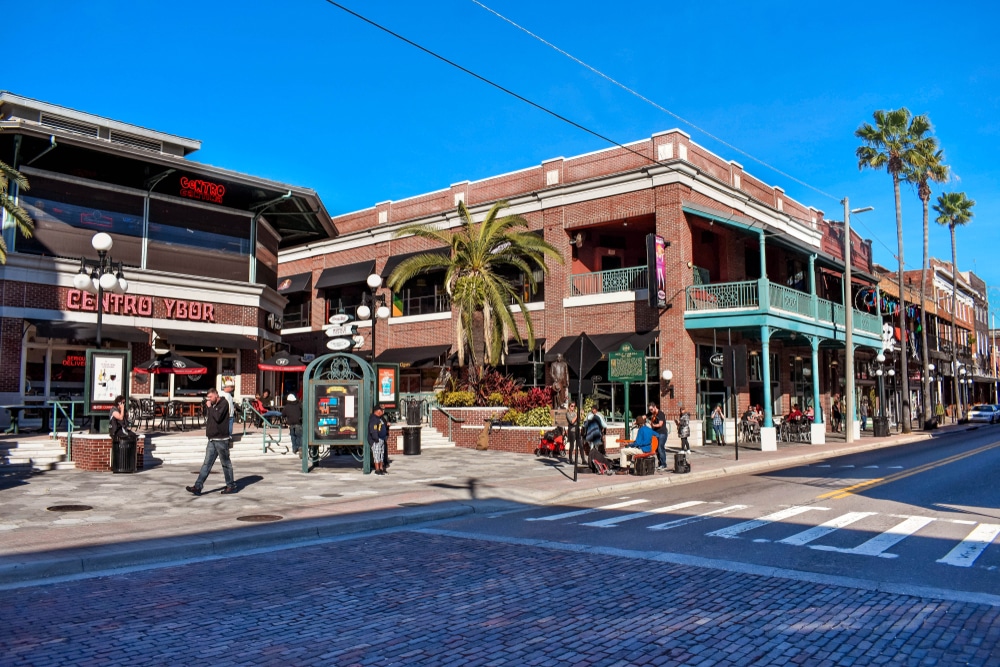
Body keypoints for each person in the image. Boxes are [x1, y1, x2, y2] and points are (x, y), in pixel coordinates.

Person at [186, 388, 236, 495]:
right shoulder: (212, 405)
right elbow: (210, 417)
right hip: (212, 439)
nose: (209, 399)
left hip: (221, 440)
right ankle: (198, 486)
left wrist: (210, 407)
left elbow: (217, 417)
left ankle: (231, 485)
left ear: (216, 395)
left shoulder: (224, 403)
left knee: (226, 464)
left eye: (211, 397)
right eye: (208, 397)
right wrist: (207, 407)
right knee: (206, 464)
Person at [368, 404, 389, 475]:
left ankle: (381, 468)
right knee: (376, 454)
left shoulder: (380, 418)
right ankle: (377, 469)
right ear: (377, 411)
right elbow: (373, 430)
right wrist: (376, 439)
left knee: (381, 454)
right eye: (381, 410)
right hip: (376, 440)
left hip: (382, 439)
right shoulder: (373, 419)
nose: (382, 412)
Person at [647, 402, 669, 470]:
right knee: (656, 448)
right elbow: (645, 416)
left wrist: (653, 425)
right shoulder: (652, 413)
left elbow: (660, 424)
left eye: (651, 409)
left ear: (655, 407)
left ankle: (664, 464)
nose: (651, 411)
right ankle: (660, 463)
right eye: (649, 410)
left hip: (662, 433)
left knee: (660, 447)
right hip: (655, 433)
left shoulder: (660, 414)